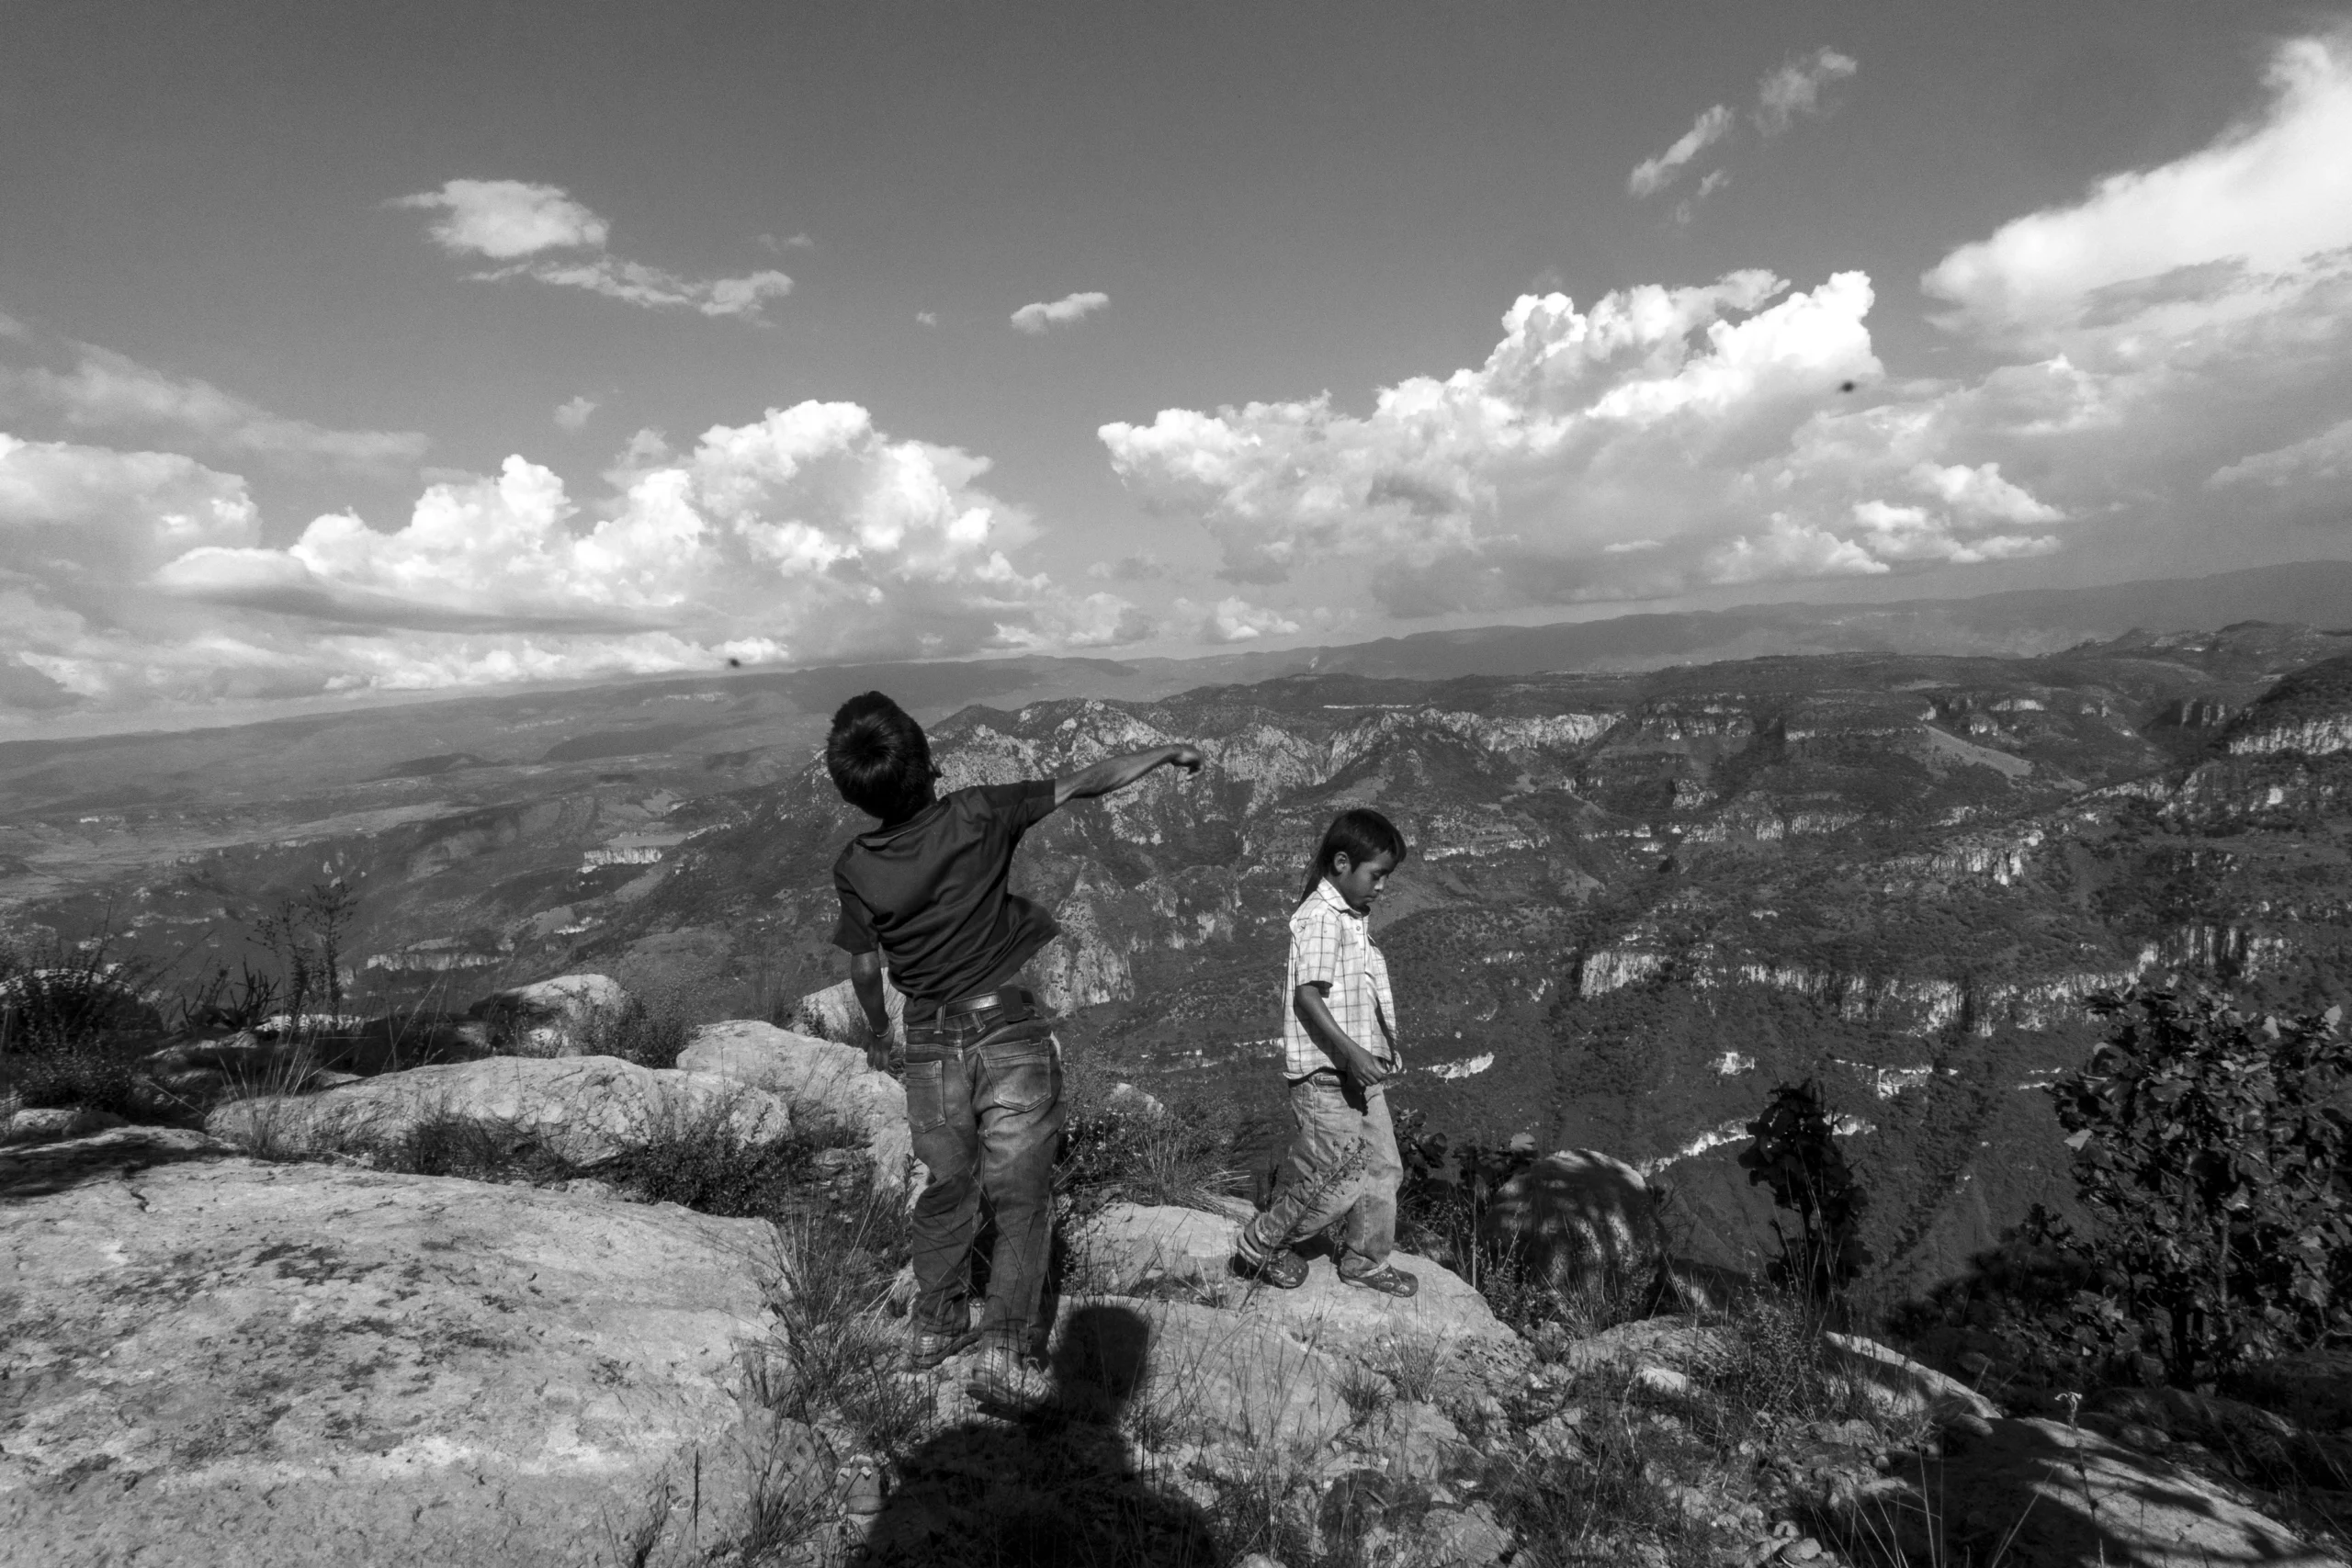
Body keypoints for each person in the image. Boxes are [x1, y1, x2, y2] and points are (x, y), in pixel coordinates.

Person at [824, 691, 1205, 1408]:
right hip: (1006, 1029)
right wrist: (1164, 752)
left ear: (854, 794)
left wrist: (878, 1028)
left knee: (948, 1183)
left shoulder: (856, 864)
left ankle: (934, 1324)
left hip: (930, 1040)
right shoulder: (976, 812)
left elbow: (865, 966)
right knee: (1021, 1191)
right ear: (929, 762)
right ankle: (1002, 1348)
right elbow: (1088, 780)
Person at [1229, 807, 1419, 1297]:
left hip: (1356, 1073)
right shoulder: (1318, 917)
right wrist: (1354, 1052)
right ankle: (1263, 1241)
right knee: (1335, 1178)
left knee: (1382, 1168)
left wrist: (1371, 1052)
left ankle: (1365, 1259)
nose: (1382, 887)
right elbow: (1307, 996)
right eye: (1376, 876)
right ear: (1341, 863)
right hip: (1325, 1075)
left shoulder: (1351, 916)